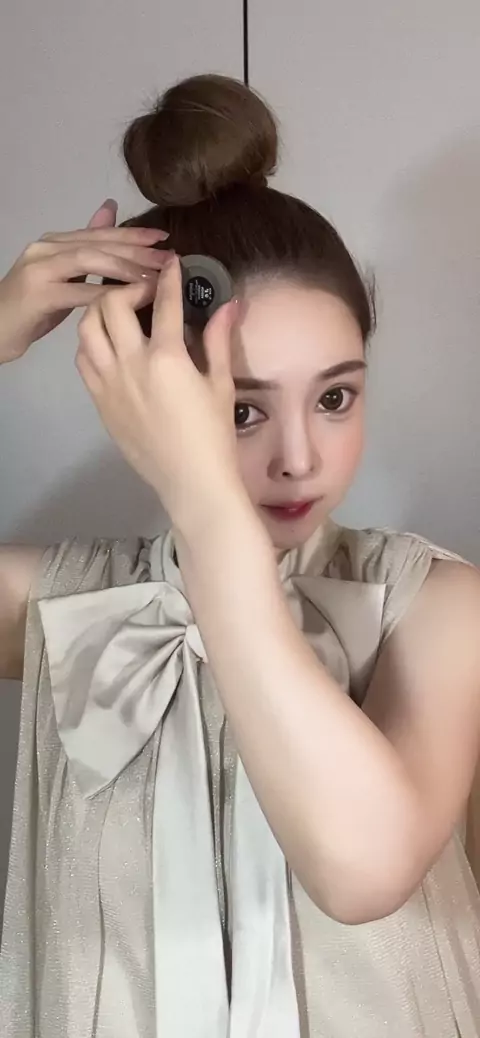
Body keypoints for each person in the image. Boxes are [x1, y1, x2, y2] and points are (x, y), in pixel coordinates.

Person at [1, 73, 480, 1038]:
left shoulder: (436, 602)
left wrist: (208, 506)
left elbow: (363, 870)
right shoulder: (63, 603)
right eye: (243, 409)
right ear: (143, 397)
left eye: (335, 397)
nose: (299, 458)